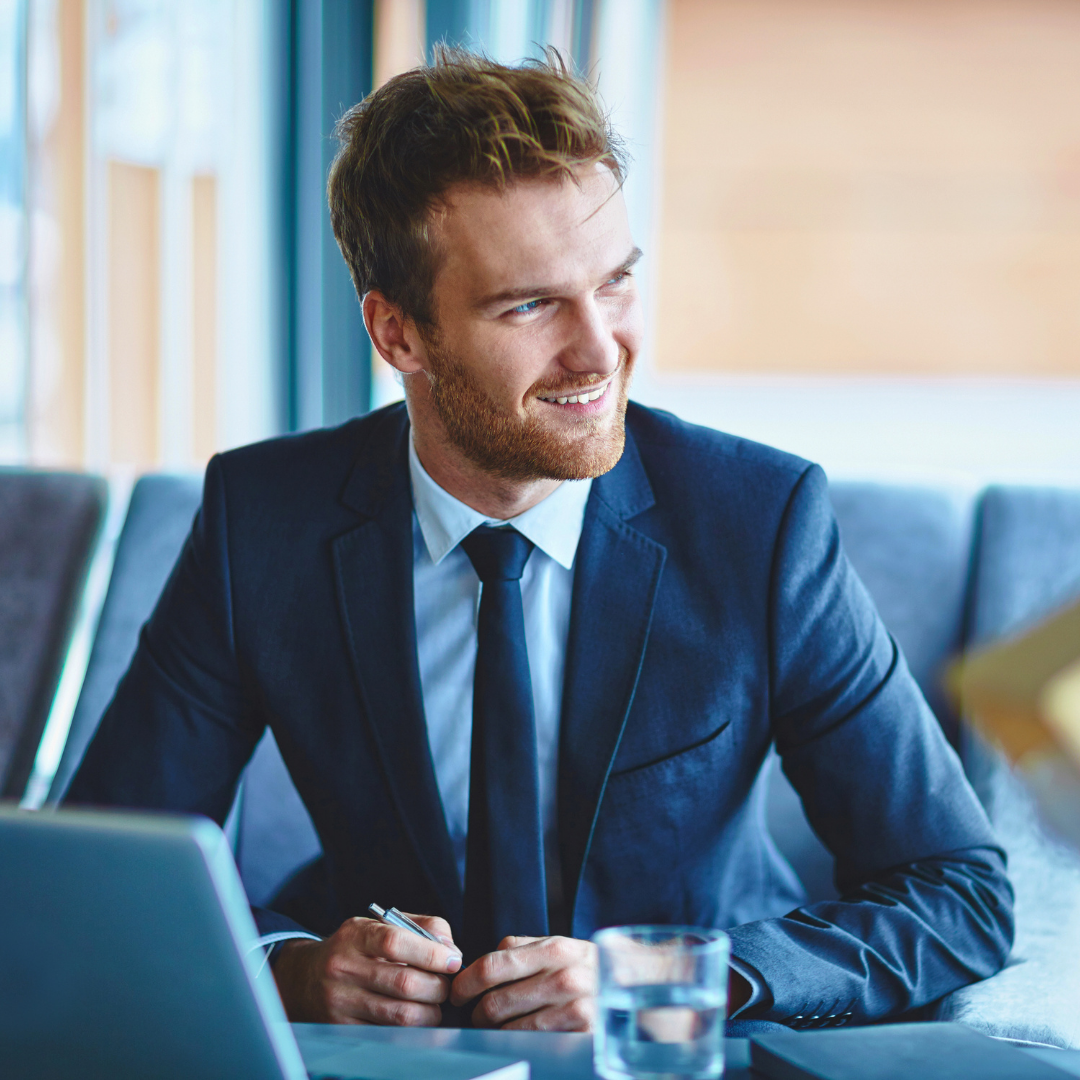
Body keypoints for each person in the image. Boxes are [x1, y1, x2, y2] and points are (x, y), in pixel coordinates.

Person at [66, 50, 1013, 1033]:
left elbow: (959, 893)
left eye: (615, 283)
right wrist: (293, 971)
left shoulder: (759, 524)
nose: (600, 350)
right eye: (530, 305)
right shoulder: (262, 520)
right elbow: (104, 871)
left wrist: (664, 986)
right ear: (399, 336)